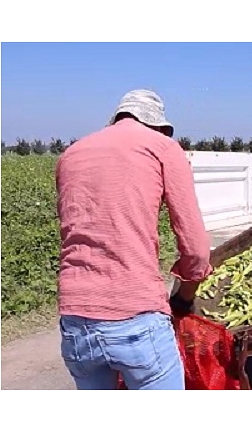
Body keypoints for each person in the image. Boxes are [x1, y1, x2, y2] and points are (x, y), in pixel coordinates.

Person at [55, 89, 213, 390]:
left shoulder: (70, 155)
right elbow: (196, 249)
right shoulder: (163, 148)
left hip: (75, 320)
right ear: (159, 126)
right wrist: (184, 296)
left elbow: (74, 228)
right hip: (136, 319)